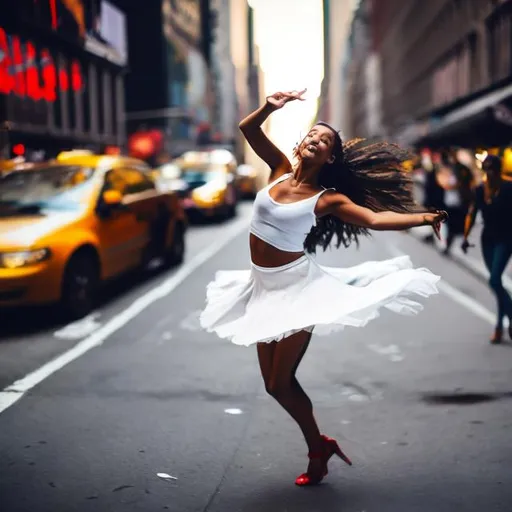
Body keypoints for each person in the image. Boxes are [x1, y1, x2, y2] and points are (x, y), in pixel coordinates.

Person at [200, 89, 446, 487]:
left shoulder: (326, 198)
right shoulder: (278, 168)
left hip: (298, 291)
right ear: (302, 144)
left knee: (282, 382)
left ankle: (317, 449)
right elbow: (249, 128)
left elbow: (374, 219)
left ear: (330, 157)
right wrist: (270, 106)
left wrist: (426, 217)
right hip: (261, 287)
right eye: (312, 134)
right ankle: (322, 444)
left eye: (324, 140)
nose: (315, 139)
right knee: (272, 386)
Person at [462, 154, 512, 344]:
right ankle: (499, 327)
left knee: (494, 280)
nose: (489, 173)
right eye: (486, 169)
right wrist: (466, 237)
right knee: (497, 284)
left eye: (492, 169)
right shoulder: (480, 190)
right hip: (488, 240)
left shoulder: (509, 188)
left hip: (506, 239)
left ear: (498, 171)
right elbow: (472, 213)